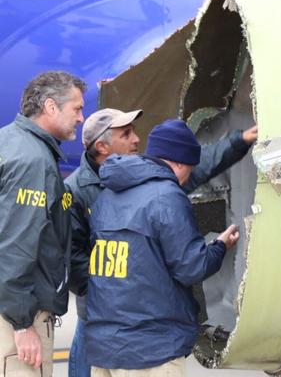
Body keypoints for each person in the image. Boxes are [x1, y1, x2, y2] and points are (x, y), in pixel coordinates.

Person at [65, 109, 256, 377]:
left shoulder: (110, 192)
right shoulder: (164, 195)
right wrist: (219, 246)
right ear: (101, 145)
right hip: (149, 346)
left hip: (108, 337)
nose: (135, 139)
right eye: (126, 133)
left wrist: (112, 287)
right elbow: (191, 267)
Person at [0, 71, 86, 377]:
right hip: (17, 319)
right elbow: (17, 244)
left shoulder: (8, 141)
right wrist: (22, 324)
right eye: (76, 108)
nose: (81, 118)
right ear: (51, 107)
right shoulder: (33, 161)